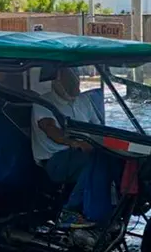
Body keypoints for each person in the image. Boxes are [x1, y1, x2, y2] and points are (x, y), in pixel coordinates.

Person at [31, 67, 102, 228]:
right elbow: (50, 130)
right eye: (69, 79)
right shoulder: (44, 102)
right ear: (57, 81)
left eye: (76, 77)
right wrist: (75, 143)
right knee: (95, 163)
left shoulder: (84, 101)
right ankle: (70, 211)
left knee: (114, 159)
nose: (75, 82)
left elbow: (98, 126)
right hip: (55, 159)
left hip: (81, 152)